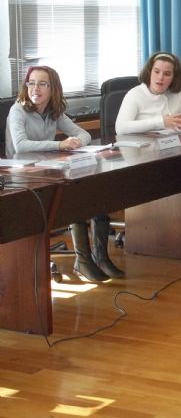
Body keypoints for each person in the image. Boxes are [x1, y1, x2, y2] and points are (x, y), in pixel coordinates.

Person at [6, 66, 124, 281]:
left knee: (92, 193)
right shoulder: (18, 110)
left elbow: (83, 134)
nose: (35, 88)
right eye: (31, 83)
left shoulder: (54, 111)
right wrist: (61, 145)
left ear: (53, 89)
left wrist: (77, 142)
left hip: (48, 169)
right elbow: (21, 146)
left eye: (43, 84)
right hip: (22, 177)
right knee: (74, 197)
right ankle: (83, 261)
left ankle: (100, 256)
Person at [115, 52, 181, 135]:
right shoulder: (134, 94)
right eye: (156, 72)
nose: (160, 77)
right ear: (149, 72)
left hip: (171, 145)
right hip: (142, 145)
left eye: (167, 74)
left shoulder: (176, 95)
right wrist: (162, 121)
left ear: (174, 78)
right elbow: (120, 128)